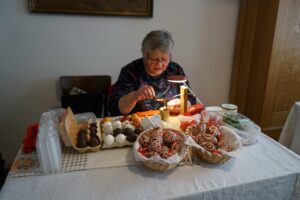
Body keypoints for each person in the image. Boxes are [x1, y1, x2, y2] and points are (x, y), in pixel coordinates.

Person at [109, 30, 196, 116]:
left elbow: (191, 99)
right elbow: (115, 108)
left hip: (172, 121)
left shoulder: (175, 69)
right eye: (154, 59)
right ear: (144, 55)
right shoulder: (130, 71)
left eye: (164, 59)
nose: (159, 64)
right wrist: (134, 96)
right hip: (139, 125)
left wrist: (183, 103)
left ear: (170, 56)